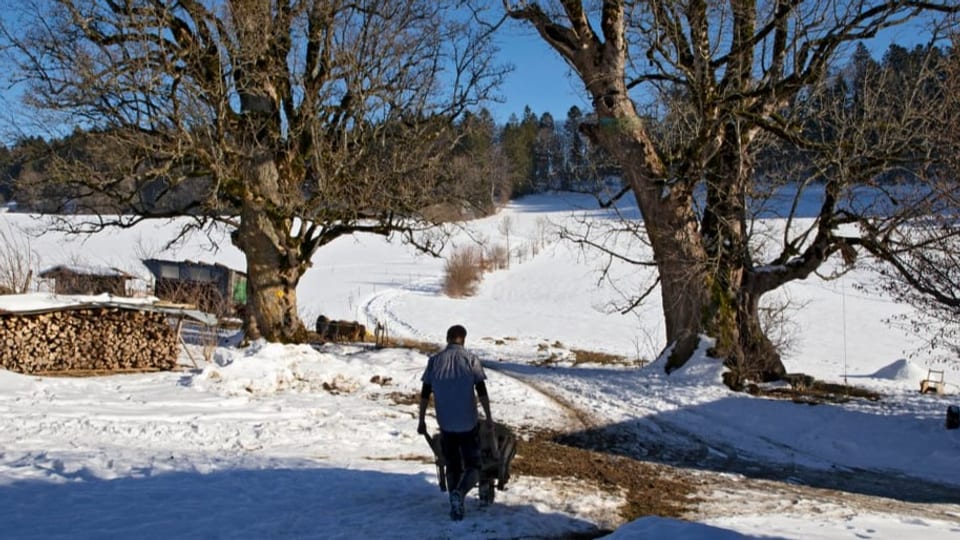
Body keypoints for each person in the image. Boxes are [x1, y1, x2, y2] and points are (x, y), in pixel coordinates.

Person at [417, 324, 494, 521]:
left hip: (446, 424)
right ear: (464, 339)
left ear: (447, 338)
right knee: (474, 466)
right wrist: (489, 417)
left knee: (451, 465)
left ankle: (455, 506)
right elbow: (481, 390)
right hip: (468, 423)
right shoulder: (470, 359)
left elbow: (425, 393)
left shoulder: (434, 361)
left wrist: (422, 420)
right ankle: (459, 493)